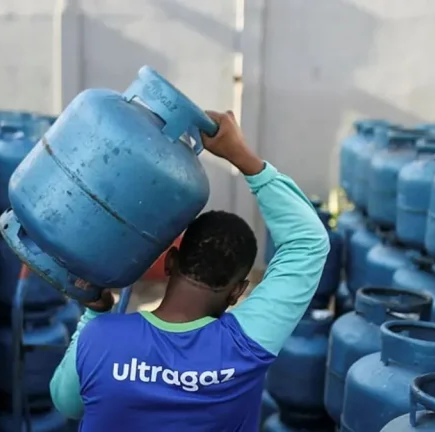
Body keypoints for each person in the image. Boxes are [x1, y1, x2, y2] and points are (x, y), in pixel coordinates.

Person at [48, 110, 330, 431]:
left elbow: (66, 402)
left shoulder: (101, 338)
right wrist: (240, 156)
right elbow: (308, 242)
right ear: (238, 292)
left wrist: (95, 313)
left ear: (170, 262)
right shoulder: (245, 347)